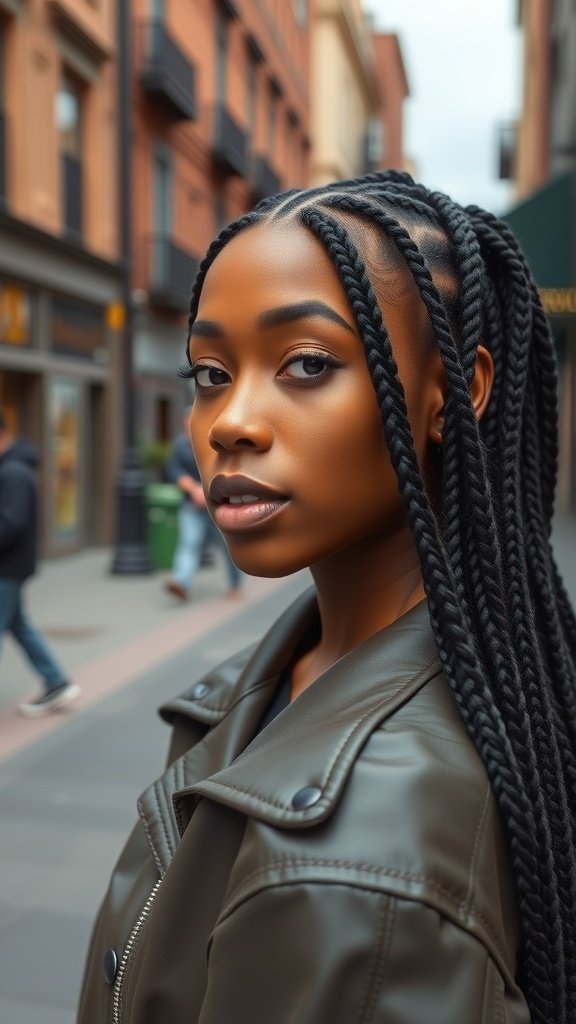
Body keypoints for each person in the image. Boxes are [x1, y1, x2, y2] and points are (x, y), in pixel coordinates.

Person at [78, 171, 576, 1024]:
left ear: (457, 390)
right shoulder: (294, 669)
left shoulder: (361, 859)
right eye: (210, 372)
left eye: (307, 364)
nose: (230, 421)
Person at [0, 411, 79, 716]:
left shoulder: (13, 472)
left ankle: (56, 681)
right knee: (18, 625)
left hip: (7, 567)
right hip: (11, 566)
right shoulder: (14, 468)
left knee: (15, 624)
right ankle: (56, 681)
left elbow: (11, 523)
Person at [164, 407, 243, 600]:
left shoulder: (213, 443)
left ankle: (235, 584)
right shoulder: (180, 446)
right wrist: (194, 490)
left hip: (218, 505)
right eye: (188, 420)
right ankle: (181, 583)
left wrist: (206, 493)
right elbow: (175, 472)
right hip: (192, 506)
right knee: (189, 543)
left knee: (228, 546)